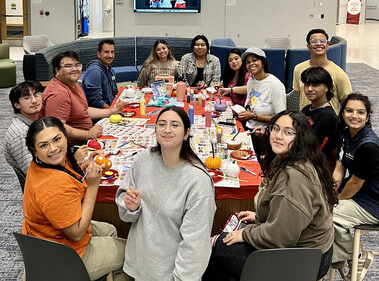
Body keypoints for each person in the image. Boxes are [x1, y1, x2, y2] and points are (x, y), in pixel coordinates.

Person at [203, 110, 337, 281]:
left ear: (301, 138)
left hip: (304, 260)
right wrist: (261, 217)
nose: (278, 136)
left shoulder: (294, 177)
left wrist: (246, 234)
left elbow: (280, 237)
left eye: (288, 132)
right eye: (275, 129)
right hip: (308, 250)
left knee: (217, 249)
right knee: (223, 240)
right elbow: (289, 216)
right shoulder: (294, 157)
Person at [22, 116, 131, 281]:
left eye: (57, 139)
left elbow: (65, 186)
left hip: (43, 240)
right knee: (132, 255)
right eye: (44, 145)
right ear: (34, 149)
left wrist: (81, 168)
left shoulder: (40, 164)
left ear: (65, 137)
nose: (53, 149)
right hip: (63, 256)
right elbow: (76, 234)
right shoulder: (55, 188)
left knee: (111, 230)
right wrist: (93, 185)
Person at [116, 106, 216, 280]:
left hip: (169, 274)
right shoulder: (144, 160)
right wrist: (131, 207)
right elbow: (125, 210)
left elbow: (195, 245)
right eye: (161, 124)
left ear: (186, 133)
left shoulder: (197, 181)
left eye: (175, 125)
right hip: (136, 265)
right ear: (155, 131)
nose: (167, 129)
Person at [331, 93, 379, 280]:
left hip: (373, 202)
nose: (354, 116)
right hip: (359, 195)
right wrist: (330, 192)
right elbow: (339, 168)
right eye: (349, 110)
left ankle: (357, 256)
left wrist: (335, 201)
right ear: (343, 113)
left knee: (326, 214)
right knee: (319, 205)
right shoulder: (346, 134)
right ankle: (341, 257)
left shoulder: (369, 146)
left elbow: (355, 183)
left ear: (367, 117)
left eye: (361, 112)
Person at [40, 51, 124, 145]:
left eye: (77, 65)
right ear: (57, 71)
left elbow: (83, 111)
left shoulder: (74, 85)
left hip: (88, 137)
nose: (74, 69)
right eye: (68, 66)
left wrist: (111, 111)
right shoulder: (58, 94)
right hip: (76, 147)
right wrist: (88, 134)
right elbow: (56, 128)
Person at [237, 47, 286, 161]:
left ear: (263, 62)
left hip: (263, 136)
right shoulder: (252, 80)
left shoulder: (275, 85)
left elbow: (281, 118)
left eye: (254, 60)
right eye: (248, 62)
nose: (251, 64)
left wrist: (254, 116)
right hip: (248, 130)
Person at [292, 28, 352, 114]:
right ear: (308, 47)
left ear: (327, 46)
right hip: (305, 120)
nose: (318, 44)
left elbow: (346, 103)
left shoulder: (339, 73)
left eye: (322, 41)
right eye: (314, 41)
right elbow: (300, 95)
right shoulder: (298, 69)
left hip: (327, 121)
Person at [5, 81, 43, 181]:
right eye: (27, 98)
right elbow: (33, 173)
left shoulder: (33, 123)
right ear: (17, 104)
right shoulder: (20, 133)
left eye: (37, 95)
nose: (34, 101)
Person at [300, 66, 338, 163]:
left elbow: (313, 148)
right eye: (307, 84)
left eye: (315, 85)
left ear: (326, 87)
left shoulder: (328, 116)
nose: (309, 89)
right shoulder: (306, 109)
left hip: (316, 167)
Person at [82, 39, 118, 109]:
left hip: (109, 107)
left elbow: (115, 92)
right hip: (98, 115)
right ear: (99, 54)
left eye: (112, 52)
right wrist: (112, 111)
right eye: (106, 52)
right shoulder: (95, 72)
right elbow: (96, 101)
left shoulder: (110, 70)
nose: (110, 55)